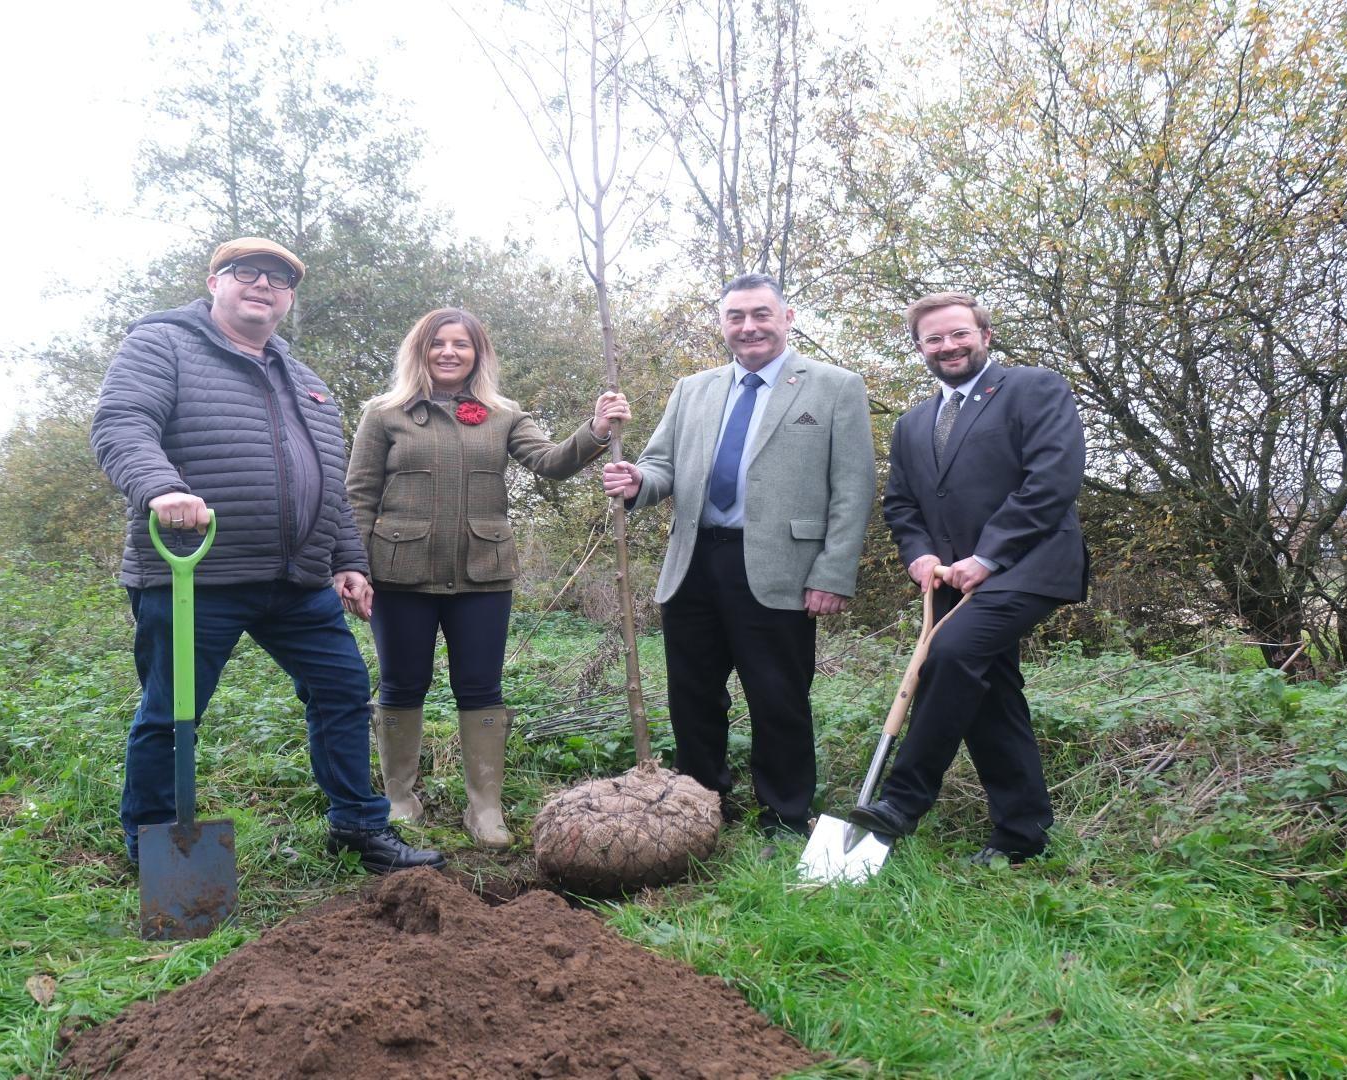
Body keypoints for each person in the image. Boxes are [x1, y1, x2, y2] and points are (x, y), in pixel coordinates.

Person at [91, 236, 444, 875]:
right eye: (246, 272)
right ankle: (154, 852)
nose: (263, 285)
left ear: (288, 299)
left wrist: (348, 560)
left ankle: (358, 826)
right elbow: (121, 424)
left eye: (279, 280)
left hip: (298, 580)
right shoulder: (160, 344)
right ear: (215, 280)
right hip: (196, 571)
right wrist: (162, 486)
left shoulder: (305, 382)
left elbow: (327, 481)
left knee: (342, 689)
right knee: (173, 710)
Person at [601, 273, 875, 840]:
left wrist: (832, 572)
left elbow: (853, 488)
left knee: (778, 695)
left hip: (782, 567)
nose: (748, 327)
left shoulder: (834, 387)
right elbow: (661, 467)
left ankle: (784, 816)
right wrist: (636, 481)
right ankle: (702, 804)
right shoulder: (692, 388)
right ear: (723, 324)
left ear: (786, 317)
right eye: (736, 317)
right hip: (696, 562)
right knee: (693, 693)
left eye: (760, 314)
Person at [346, 308, 629, 848]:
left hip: (483, 573)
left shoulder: (503, 414)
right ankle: (400, 800)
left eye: (462, 344)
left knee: (480, 687)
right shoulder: (384, 414)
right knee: (403, 685)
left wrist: (595, 430)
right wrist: (355, 567)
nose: (449, 352)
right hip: (400, 573)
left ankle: (485, 809)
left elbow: (550, 462)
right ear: (420, 351)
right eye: (438, 343)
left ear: (479, 354)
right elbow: (358, 496)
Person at [846, 291, 1088, 865]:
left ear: (984, 334)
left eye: (959, 333)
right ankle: (1022, 835)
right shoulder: (911, 424)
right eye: (933, 339)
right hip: (954, 579)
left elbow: (1052, 480)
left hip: (1030, 566)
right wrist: (919, 556)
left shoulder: (1034, 389)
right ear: (919, 349)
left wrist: (988, 556)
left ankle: (902, 801)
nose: (948, 345)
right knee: (989, 695)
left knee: (949, 653)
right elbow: (902, 505)